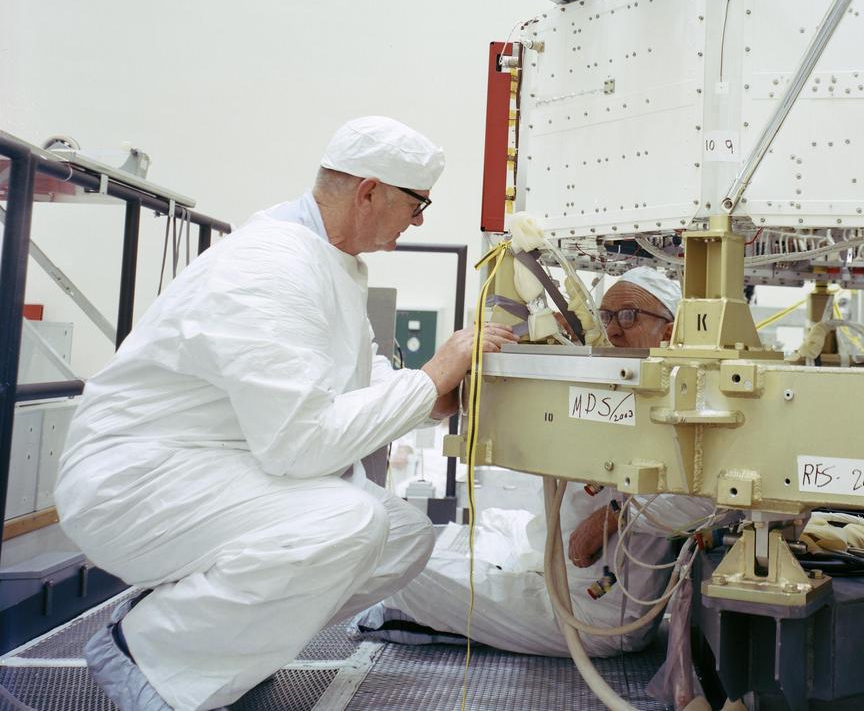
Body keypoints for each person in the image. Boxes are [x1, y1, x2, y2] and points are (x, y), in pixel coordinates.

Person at [54, 116, 516, 711]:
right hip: (136, 481)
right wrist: (431, 376)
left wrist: (438, 395)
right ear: (370, 191)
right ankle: (146, 654)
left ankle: (210, 649)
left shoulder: (327, 260)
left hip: (217, 470)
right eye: (417, 203)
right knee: (350, 523)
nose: (420, 220)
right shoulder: (270, 267)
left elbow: (363, 377)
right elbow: (300, 446)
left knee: (403, 537)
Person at [352, 265, 717, 657]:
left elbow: (714, 499)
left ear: (669, 329)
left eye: (628, 316)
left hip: (594, 615)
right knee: (490, 525)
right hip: (555, 567)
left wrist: (616, 515)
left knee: (403, 575)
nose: (611, 329)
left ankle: (380, 615)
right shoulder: (618, 387)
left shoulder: (692, 407)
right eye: (605, 316)